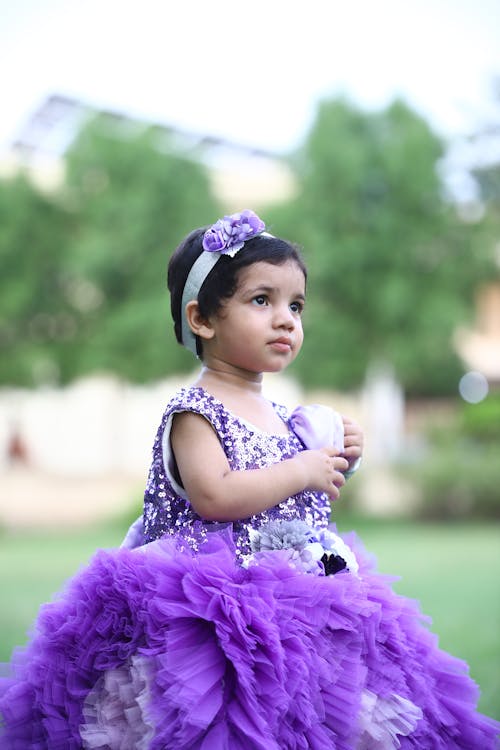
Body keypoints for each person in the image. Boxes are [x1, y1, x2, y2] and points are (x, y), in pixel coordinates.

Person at [0, 210, 498, 749]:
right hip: (211, 616)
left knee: (316, 720)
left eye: (296, 305)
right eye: (263, 300)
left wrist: (336, 458)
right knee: (223, 726)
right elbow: (214, 496)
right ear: (203, 319)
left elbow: (302, 507)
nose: (286, 319)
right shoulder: (195, 412)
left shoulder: (289, 419)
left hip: (301, 609)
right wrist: (299, 469)